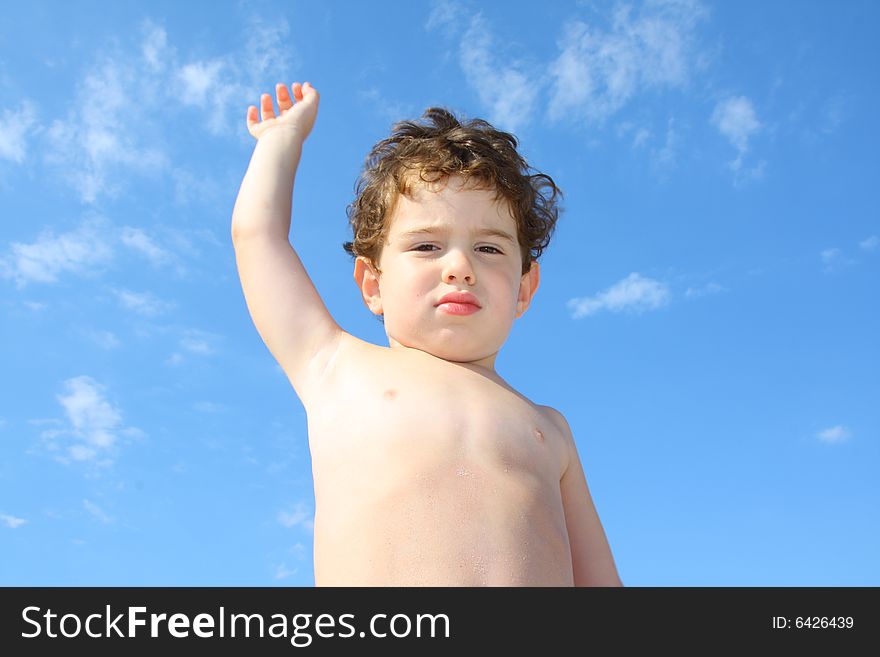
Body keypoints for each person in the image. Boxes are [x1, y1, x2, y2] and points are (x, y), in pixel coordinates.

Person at [231, 81, 623, 586]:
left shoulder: (550, 429)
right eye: (426, 247)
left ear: (525, 288)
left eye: (489, 249)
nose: (460, 266)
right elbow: (258, 238)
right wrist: (281, 138)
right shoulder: (336, 367)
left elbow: (602, 584)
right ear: (373, 284)